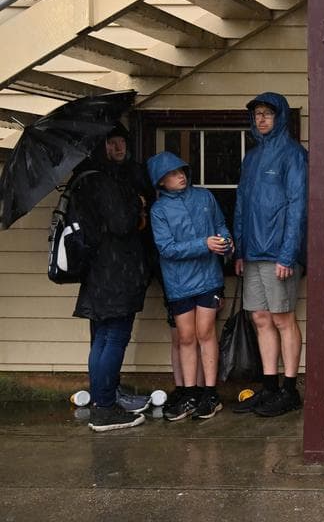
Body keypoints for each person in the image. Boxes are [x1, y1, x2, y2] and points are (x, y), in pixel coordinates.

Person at [71, 125, 154, 432]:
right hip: (115, 271)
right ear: (98, 146)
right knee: (113, 338)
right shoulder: (103, 180)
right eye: (111, 143)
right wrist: (139, 204)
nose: (119, 148)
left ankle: (104, 398)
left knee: (102, 338)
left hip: (97, 271)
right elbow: (121, 223)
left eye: (122, 142)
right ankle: (104, 408)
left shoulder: (85, 178)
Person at [233, 92, 308, 418]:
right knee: (260, 318)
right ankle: (270, 386)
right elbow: (241, 205)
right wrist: (239, 249)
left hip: (279, 252)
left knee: (282, 319)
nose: (262, 119)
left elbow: (298, 206)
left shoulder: (293, 155)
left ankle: (290, 390)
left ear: (281, 118)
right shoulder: (251, 158)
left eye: (268, 114)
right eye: (258, 114)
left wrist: (288, 254)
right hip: (252, 253)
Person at [147, 151, 232, 421]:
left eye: (181, 170)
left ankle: (210, 393)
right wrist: (203, 244)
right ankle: (190, 393)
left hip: (208, 277)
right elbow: (166, 248)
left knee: (206, 332)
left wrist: (226, 241)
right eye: (172, 174)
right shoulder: (159, 210)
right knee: (185, 336)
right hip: (179, 281)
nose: (180, 176)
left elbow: (220, 224)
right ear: (161, 182)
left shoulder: (204, 196)